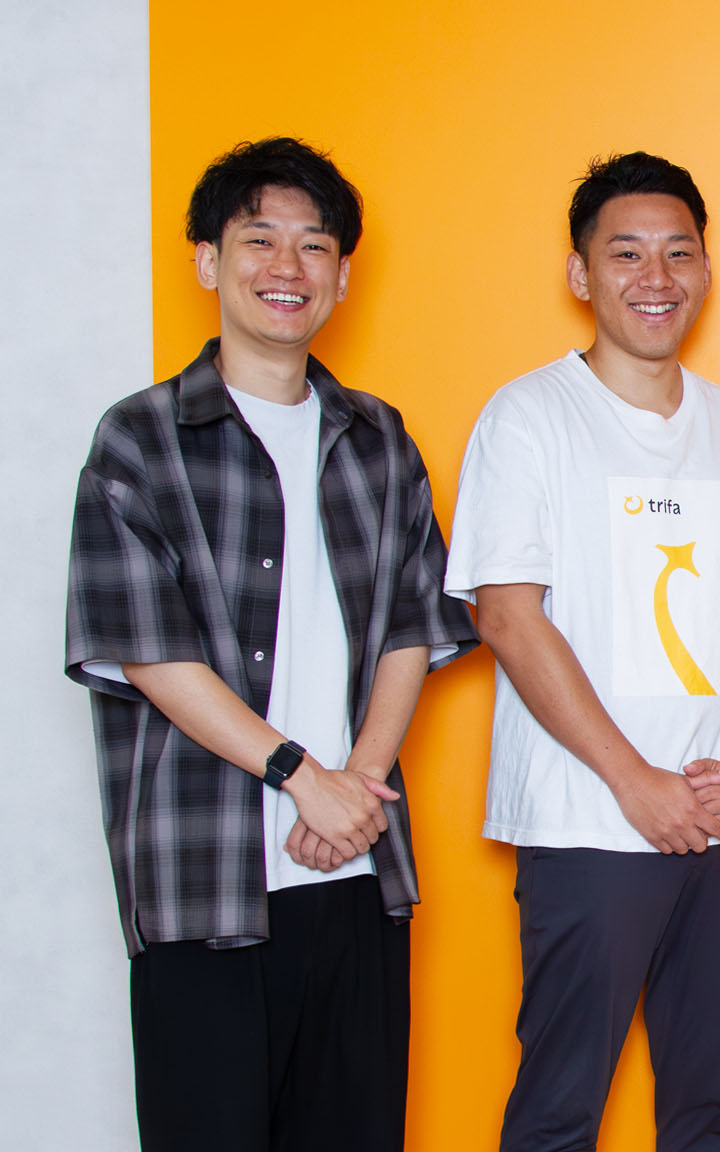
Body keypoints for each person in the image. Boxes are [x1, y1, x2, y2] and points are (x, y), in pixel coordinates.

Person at [65, 136, 477, 1152]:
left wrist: (358, 786)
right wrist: (301, 776)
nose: (287, 266)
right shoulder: (139, 440)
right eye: (260, 239)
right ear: (208, 260)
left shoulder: (379, 439)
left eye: (314, 245)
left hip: (357, 877)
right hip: (202, 880)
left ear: (342, 277)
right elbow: (149, 652)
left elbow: (412, 627)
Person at [445, 151, 720, 1152]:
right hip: (588, 821)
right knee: (560, 1107)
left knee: (713, 1104)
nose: (655, 277)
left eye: (677, 253)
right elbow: (507, 616)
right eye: (626, 253)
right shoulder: (528, 417)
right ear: (581, 274)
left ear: (705, 269)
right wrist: (634, 782)